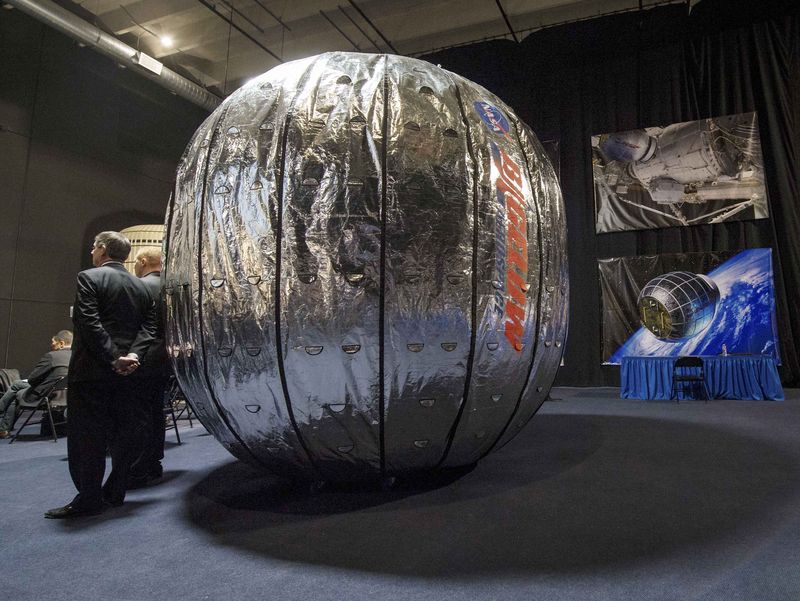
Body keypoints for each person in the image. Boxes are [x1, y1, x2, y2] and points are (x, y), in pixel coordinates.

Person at [45, 231, 156, 519]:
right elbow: (149, 328)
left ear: (102, 250)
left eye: (95, 247)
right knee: (124, 432)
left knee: (87, 437)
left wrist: (112, 357)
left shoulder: (89, 277)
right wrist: (132, 356)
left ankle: (90, 498)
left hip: (92, 371)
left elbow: (88, 321)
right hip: (130, 373)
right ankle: (116, 490)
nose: (93, 251)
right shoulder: (142, 287)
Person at [128, 246, 170, 487]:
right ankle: (154, 462)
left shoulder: (138, 286)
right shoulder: (171, 288)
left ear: (143, 261)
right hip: (165, 359)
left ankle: (138, 468)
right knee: (156, 412)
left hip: (142, 357)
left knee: (138, 415)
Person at [0, 331, 73, 438]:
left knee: (16, 390)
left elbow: (32, 379)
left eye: (53, 342)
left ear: (61, 343)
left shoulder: (52, 356)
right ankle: (3, 428)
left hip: (44, 396)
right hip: (65, 397)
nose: (51, 345)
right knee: (17, 385)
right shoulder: (77, 357)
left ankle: (3, 427)